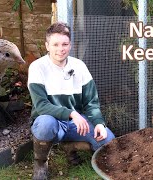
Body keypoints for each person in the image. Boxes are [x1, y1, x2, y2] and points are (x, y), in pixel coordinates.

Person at [27, 22, 115, 180]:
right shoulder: (37, 67)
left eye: (64, 44)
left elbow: (91, 102)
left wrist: (99, 123)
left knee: (108, 140)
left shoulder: (79, 66)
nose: (60, 49)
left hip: (77, 124)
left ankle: (71, 147)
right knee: (45, 125)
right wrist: (71, 113)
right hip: (52, 122)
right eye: (55, 44)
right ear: (47, 46)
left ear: (70, 45)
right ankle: (40, 164)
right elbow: (41, 106)